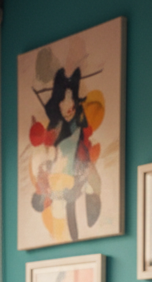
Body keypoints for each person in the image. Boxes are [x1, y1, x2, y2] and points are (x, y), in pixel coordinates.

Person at [28, 67, 103, 244]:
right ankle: (69, 83)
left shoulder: (47, 184)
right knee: (66, 116)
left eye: (46, 202)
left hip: (66, 147)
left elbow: (50, 162)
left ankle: (66, 82)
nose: (49, 202)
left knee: (59, 115)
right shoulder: (56, 191)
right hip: (70, 149)